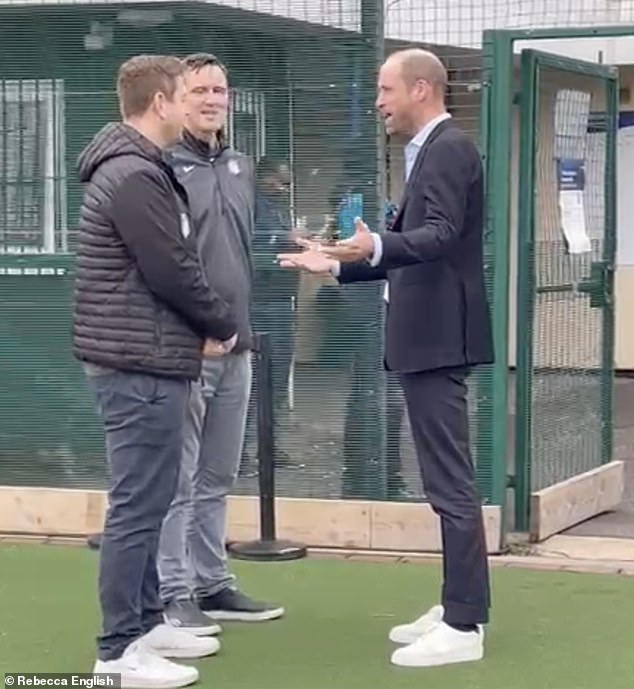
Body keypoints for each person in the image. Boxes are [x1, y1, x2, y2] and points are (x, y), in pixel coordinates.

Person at [277, 48, 494, 668]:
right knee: (443, 483)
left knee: (450, 485)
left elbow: (440, 237)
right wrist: (342, 261)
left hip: (437, 339)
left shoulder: (448, 147)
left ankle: (464, 623)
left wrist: (373, 245)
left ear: (421, 90)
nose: (378, 102)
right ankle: (459, 604)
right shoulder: (429, 149)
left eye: (385, 89)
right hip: (424, 338)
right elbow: (408, 248)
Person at [74, 55, 239, 687]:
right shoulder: (134, 175)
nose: (195, 103)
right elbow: (171, 267)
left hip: (148, 359)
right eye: (184, 94)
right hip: (136, 366)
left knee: (152, 497)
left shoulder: (140, 168)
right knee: (138, 507)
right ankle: (116, 654)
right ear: (160, 103)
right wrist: (220, 325)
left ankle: (147, 624)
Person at [157, 52, 284, 635]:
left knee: (217, 477)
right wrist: (199, 329)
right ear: (177, 100)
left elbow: (240, 251)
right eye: (200, 90)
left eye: (220, 90)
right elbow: (164, 265)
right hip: (187, 349)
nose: (212, 100)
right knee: (177, 480)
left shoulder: (239, 165)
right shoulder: (160, 168)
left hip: (239, 347)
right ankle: (172, 592)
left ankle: (212, 584)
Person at [241, 156, 300, 473]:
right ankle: (240, 454)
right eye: (281, 181)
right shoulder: (251, 204)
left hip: (279, 301)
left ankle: (268, 449)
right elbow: (252, 244)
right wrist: (284, 239)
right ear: (264, 177)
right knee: (256, 383)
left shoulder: (275, 207)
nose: (285, 188)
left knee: (275, 382)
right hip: (261, 303)